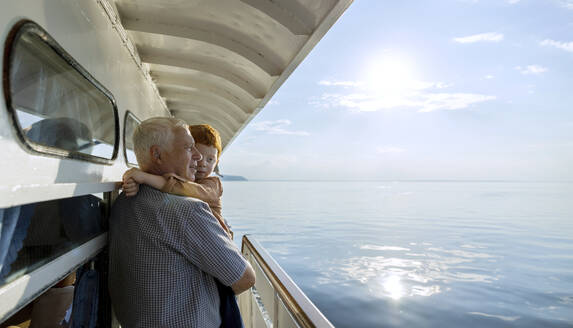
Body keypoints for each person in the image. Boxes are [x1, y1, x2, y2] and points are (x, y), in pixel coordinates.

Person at [108, 117, 255, 327]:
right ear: (157, 154)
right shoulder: (188, 210)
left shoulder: (122, 202)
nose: (198, 157)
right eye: (188, 148)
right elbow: (244, 279)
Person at [122, 124, 231, 238]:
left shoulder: (213, 184)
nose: (202, 163)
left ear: (216, 162)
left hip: (218, 237)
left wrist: (145, 178)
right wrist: (133, 180)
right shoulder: (178, 177)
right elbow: (138, 174)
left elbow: (191, 190)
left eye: (210, 159)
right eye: (196, 154)